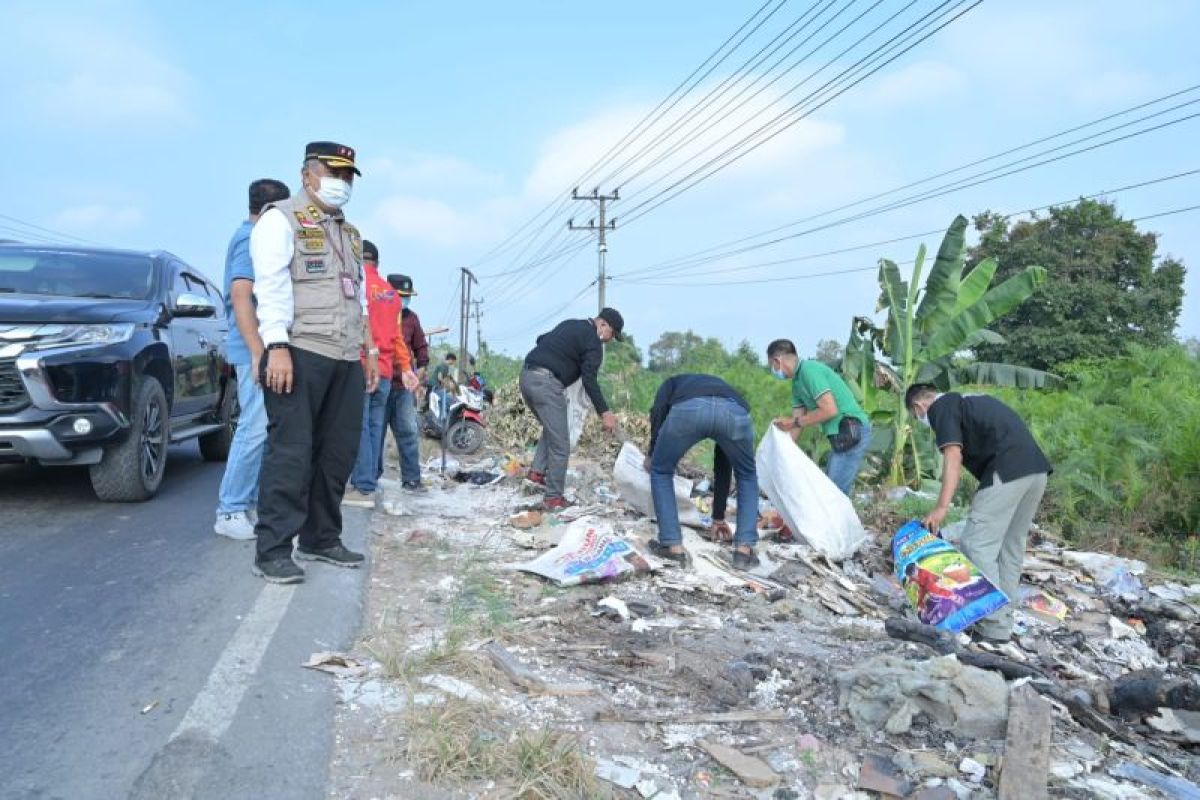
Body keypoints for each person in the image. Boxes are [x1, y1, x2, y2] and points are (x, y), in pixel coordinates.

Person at [250, 141, 379, 584]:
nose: (340, 183)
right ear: (308, 175)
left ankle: (321, 538)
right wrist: (276, 346)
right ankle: (272, 550)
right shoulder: (280, 219)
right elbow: (269, 286)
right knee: (291, 452)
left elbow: (357, 296)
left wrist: (368, 350)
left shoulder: (349, 233)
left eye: (347, 176)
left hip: (344, 354)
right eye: (333, 172)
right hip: (299, 349)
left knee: (336, 453)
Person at [905, 384, 1051, 642]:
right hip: (1036, 471)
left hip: (1007, 471)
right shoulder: (969, 400)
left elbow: (953, 456)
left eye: (917, 417)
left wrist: (941, 508)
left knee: (976, 545)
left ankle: (991, 622)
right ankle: (1000, 627)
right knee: (1010, 549)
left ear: (919, 407)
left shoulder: (942, 407)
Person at [214, 178, 290, 540]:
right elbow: (242, 297)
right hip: (253, 350)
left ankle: (246, 503)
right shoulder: (250, 240)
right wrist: (260, 354)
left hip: (257, 348)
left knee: (264, 429)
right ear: (273, 210)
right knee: (254, 427)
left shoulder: (251, 235)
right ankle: (229, 509)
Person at [645, 374, 759, 569]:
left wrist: (652, 452)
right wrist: (718, 517)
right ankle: (743, 551)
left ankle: (673, 547)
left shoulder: (671, 383)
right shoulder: (725, 389)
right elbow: (723, 465)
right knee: (746, 476)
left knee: (661, 471)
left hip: (689, 410)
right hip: (734, 412)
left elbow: (658, 411)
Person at [520, 309, 623, 510]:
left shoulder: (570, 324)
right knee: (561, 443)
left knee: (553, 430)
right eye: (612, 334)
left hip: (526, 378)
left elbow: (541, 339)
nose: (609, 341)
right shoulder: (593, 342)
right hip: (547, 384)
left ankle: (537, 473)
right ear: (603, 325)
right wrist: (605, 412)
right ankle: (553, 498)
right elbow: (589, 379)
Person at [344, 241, 419, 508]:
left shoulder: (357, 287)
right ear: (377, 263)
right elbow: (398, 338)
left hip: (364, 365)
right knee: (375, 428)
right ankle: (370, 483)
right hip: (386, 370)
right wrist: (406, 368)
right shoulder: (392, 294)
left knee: (360, 426)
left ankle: (363, 486)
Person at [767, 339, 872, 496]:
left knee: (834, 492)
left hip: (852, 430)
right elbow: (796, 425)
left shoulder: (810, 371)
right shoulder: (796, 384)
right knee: (831, 488)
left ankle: (842, 520)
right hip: (841, 436)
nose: (774, 370)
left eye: (772, 366)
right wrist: (781, 451)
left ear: (777, 361)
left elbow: (830, 410)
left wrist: (793, 422)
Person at [377, 273, 428, 491]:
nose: (404, 301)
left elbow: (421, 350)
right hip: (380, 383)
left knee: (408, 432)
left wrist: (419, 375)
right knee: (375, 433)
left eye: (407, 297)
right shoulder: (379, 315)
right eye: (401, 296)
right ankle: (370, 479)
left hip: (403, 388)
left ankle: (412, 479)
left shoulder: (411, 319)